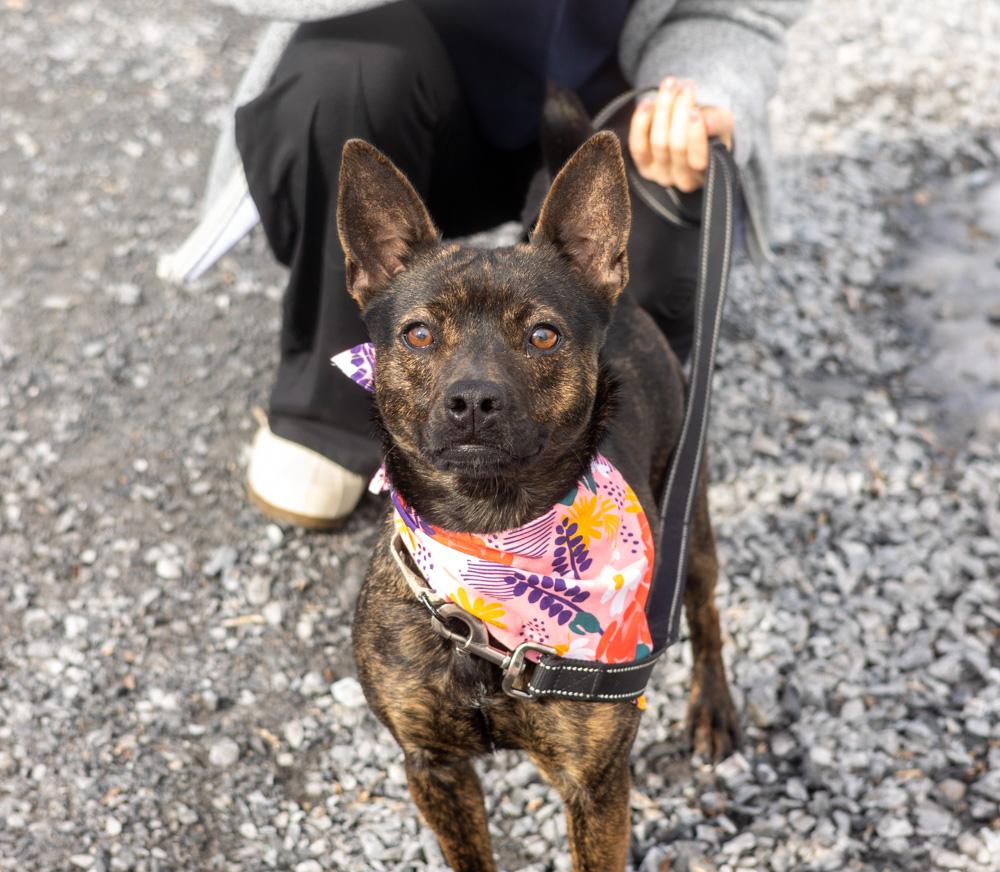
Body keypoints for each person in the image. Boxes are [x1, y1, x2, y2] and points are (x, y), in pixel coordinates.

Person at [202, 0, 807, 528]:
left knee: (643, 282)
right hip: (419, 81)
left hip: (613, 99)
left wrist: (699, 91)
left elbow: (743, 9)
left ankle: (617, 430)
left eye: (540, 335)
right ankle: (325, 410)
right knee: (344, 75)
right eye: (420, 335)